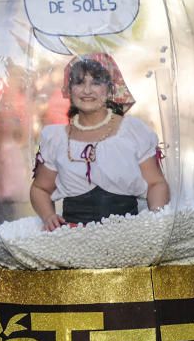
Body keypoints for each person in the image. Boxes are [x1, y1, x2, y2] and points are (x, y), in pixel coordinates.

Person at [31, 55, 169, 229]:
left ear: (110, 88)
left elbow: (156, 183)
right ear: (69, 89)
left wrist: (156, 220)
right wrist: (48, 216)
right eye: (79, 82)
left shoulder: (133, 131)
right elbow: (40, 189)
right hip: (73, 239)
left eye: (96, 82)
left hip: (129, 236)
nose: (87, 90)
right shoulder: (56, 138)